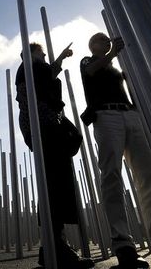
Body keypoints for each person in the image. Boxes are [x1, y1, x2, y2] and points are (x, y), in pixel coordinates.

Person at [80, 32, 151, 269]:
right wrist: (112, 54)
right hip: (106, 115)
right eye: (101, 41)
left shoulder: (116, 69)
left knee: (148, 177)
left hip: (130, 115)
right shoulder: (88, 61)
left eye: (107, 41)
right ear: (93, 46)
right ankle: (124, 246)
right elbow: (90, 72)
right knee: (111, 176)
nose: (106, 43)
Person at [15, 42, 93, 269]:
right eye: (42, 52)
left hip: (45, 126)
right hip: (44, 127)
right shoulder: (29, 67)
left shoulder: (34, 70)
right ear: (31, 54)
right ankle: (54, 247)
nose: (45, 55)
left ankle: (52, 245)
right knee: (54, 183)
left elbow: (47, 75)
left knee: (55, 182)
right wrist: (59, 60)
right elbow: (44, 78)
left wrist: (59, 59)